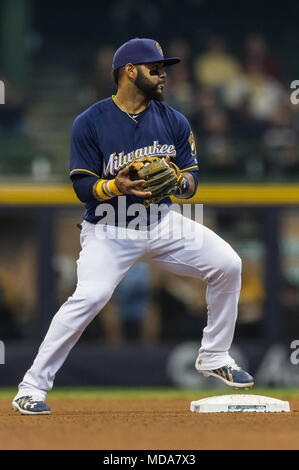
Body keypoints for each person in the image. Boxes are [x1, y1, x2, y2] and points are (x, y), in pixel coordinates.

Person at [12, 38, 253, 415]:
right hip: (109, 229)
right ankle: (31, 388)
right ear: (129, 71)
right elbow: (81, 186)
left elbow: (191, 180)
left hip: (162, 221)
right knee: (89, 298)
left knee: (229, 265)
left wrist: (179, 182)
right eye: (155, 68)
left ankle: (214, 355)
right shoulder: (90, 122)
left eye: (163, 69)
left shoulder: (174, 120)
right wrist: (114, 186)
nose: (163, 75)